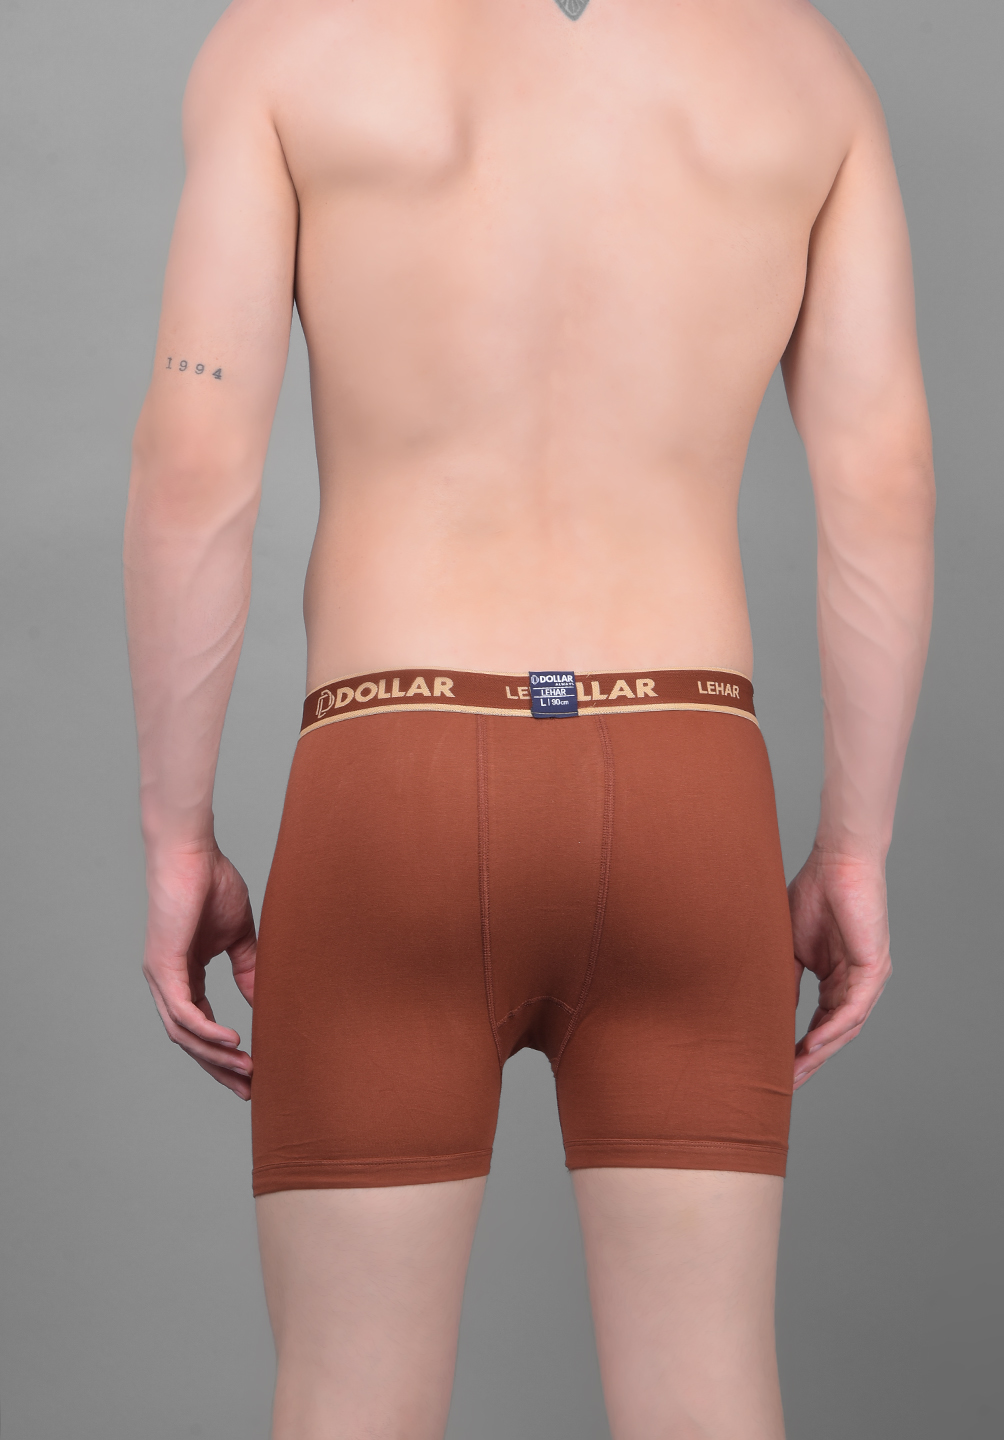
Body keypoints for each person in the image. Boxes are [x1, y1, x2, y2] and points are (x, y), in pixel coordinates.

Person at [123, 0, 934, 1435]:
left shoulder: (287, 43)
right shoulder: (806, 70)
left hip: (394, 772)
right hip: (690, 781)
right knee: (710, 1407)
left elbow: (197, 464)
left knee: (346, 1407)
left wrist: (176, 833)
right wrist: (854, 849)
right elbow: (882, 487)